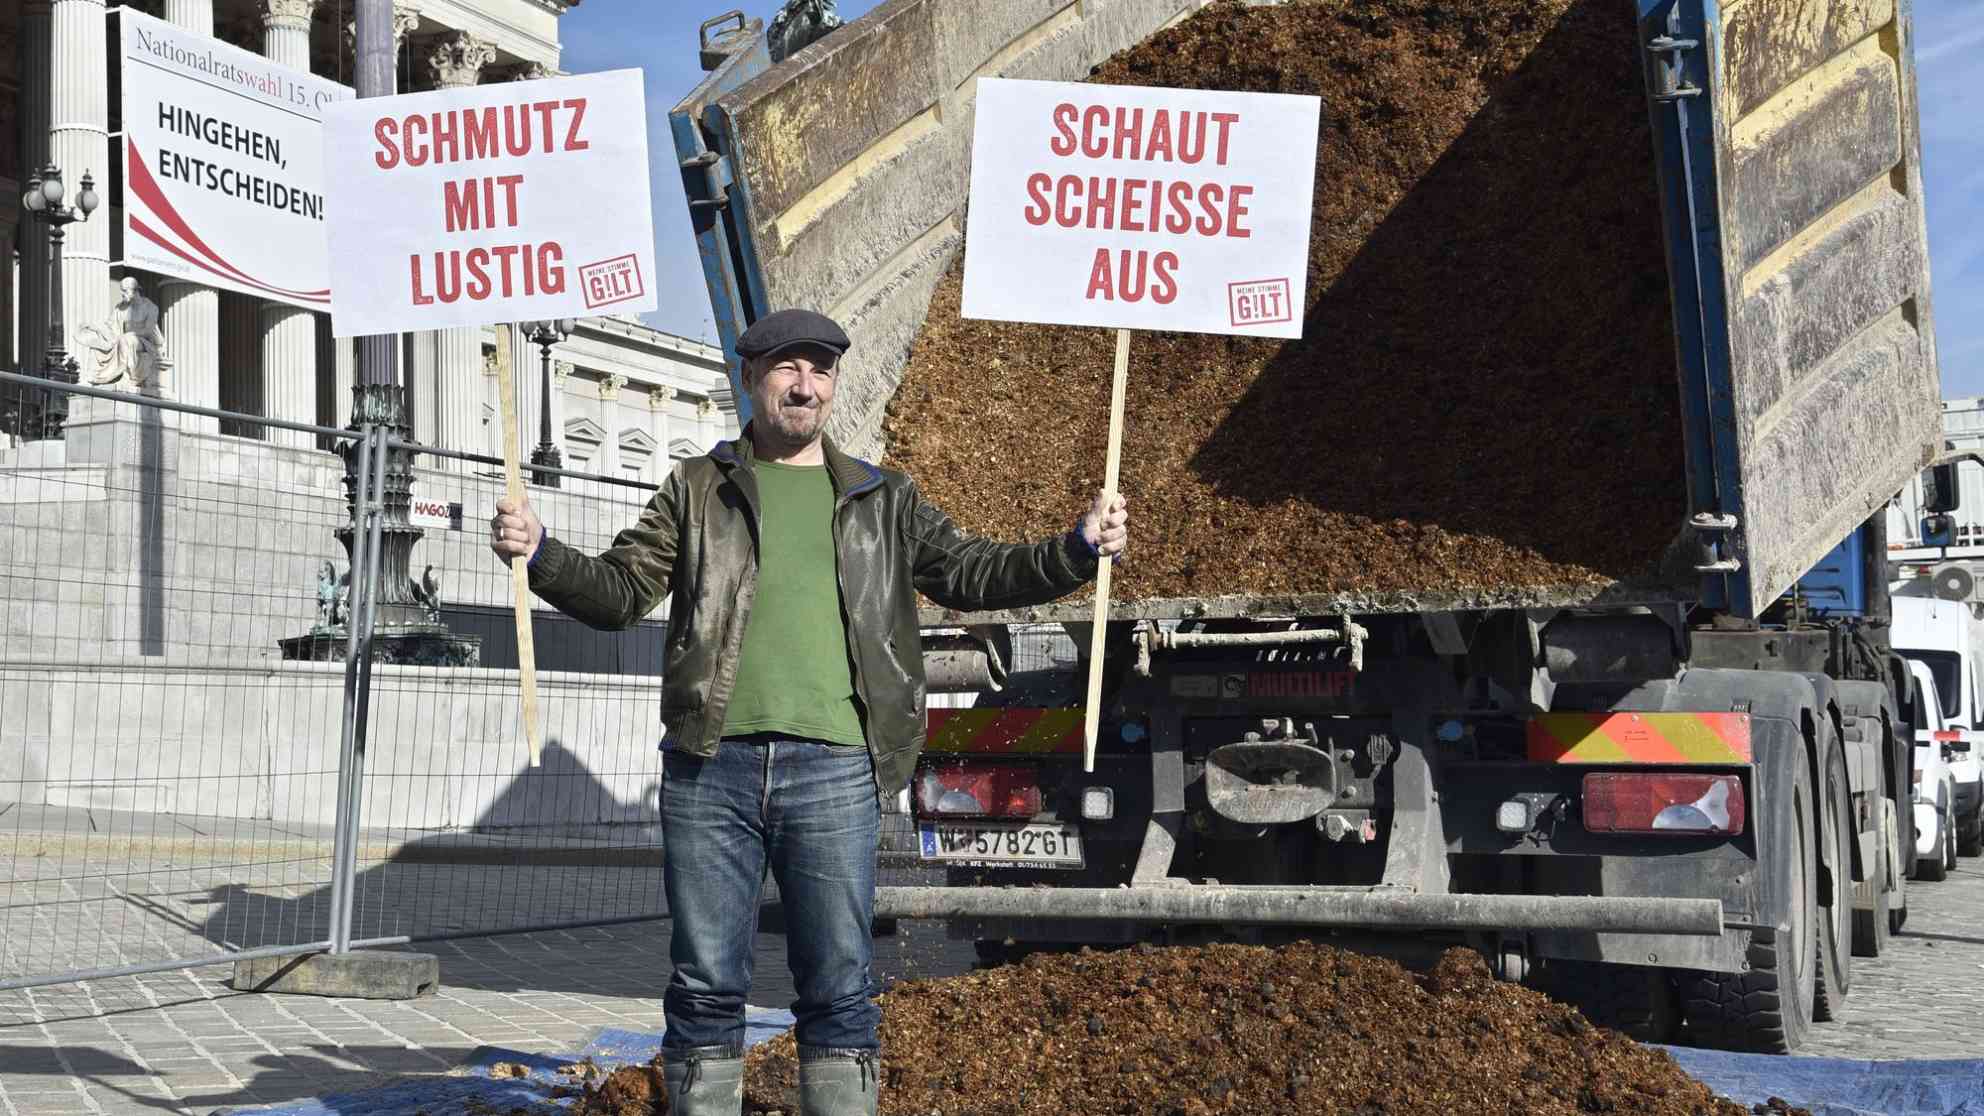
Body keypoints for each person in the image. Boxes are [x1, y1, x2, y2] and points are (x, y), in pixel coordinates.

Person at [488, 308, 1128, 1116]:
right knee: (704, 982)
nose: (805, 384)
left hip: (835, 769)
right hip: (709, 769)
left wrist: (1073, 548)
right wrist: (542, 552)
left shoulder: (882, 497)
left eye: (821, 369)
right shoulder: (696, 489)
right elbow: (621, 595)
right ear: (752, 380)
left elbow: (972, 574)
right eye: (787, 367)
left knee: (839, 982)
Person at [78, 277, 165, 389]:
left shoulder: (150, 307)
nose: (122, 294)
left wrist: (129, 335)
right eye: (122, 290)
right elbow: (110, 326)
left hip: (143, 342)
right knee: (98, 345)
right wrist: (95, 327)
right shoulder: (120, 308)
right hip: (122, 339)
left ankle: (126, 376)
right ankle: (92, 378)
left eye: (125, 290)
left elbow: (148, 331)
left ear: (135, 291)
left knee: (125, 340)